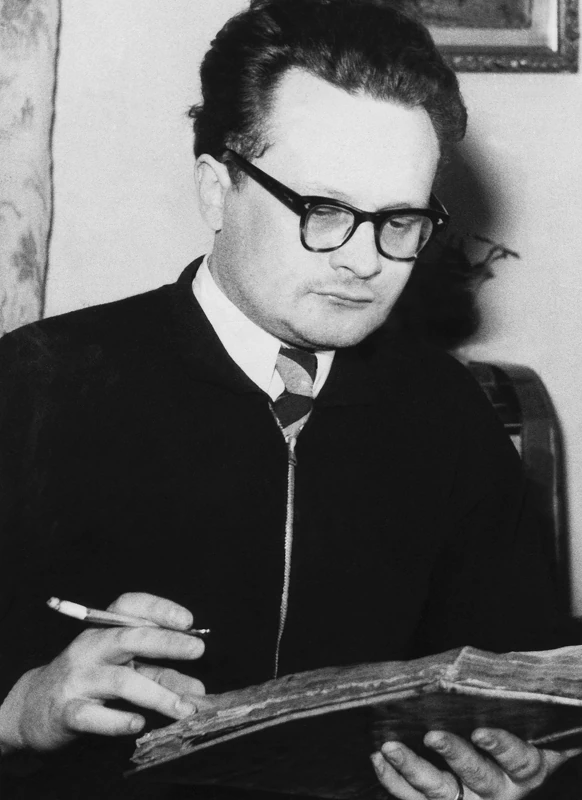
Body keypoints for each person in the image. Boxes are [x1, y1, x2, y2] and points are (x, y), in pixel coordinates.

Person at [0, 1, 579, 798]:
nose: (364, 260)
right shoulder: (33, 382)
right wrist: (19, 710)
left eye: (400, 220)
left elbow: (528, 682)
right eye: (323, 210)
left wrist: (525, 769)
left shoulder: (450, 413)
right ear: (217, 190)